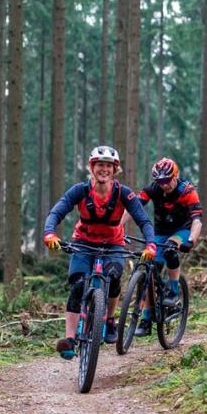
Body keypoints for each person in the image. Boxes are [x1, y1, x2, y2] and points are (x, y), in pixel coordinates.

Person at [43, 145, 156, 359]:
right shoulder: (80, 190)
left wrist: (150, 244)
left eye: (108, 166)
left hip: (113, 244)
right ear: (92, 168)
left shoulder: (124, 194)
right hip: (83, 243)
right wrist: (49, 233)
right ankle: (69, 339)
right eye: (100, 165)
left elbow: (143, 220)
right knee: (77, 286)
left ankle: (110, 319)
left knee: (113, 279)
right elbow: (57, 211)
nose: (104, 169)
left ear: (115, 170)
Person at [134, 157, 202, 337]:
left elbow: (197, 221)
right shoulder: (153, 189)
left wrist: (192, 240)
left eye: (168, 180)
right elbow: (133, 207)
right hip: (160, 232)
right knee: (150, 271)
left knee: (171, 250)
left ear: (176, 175)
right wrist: (118, 226)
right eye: (160, 181)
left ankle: (173, 293)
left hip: (182, 230)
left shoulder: (187, 190)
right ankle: (146, 319)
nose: (165, 185)